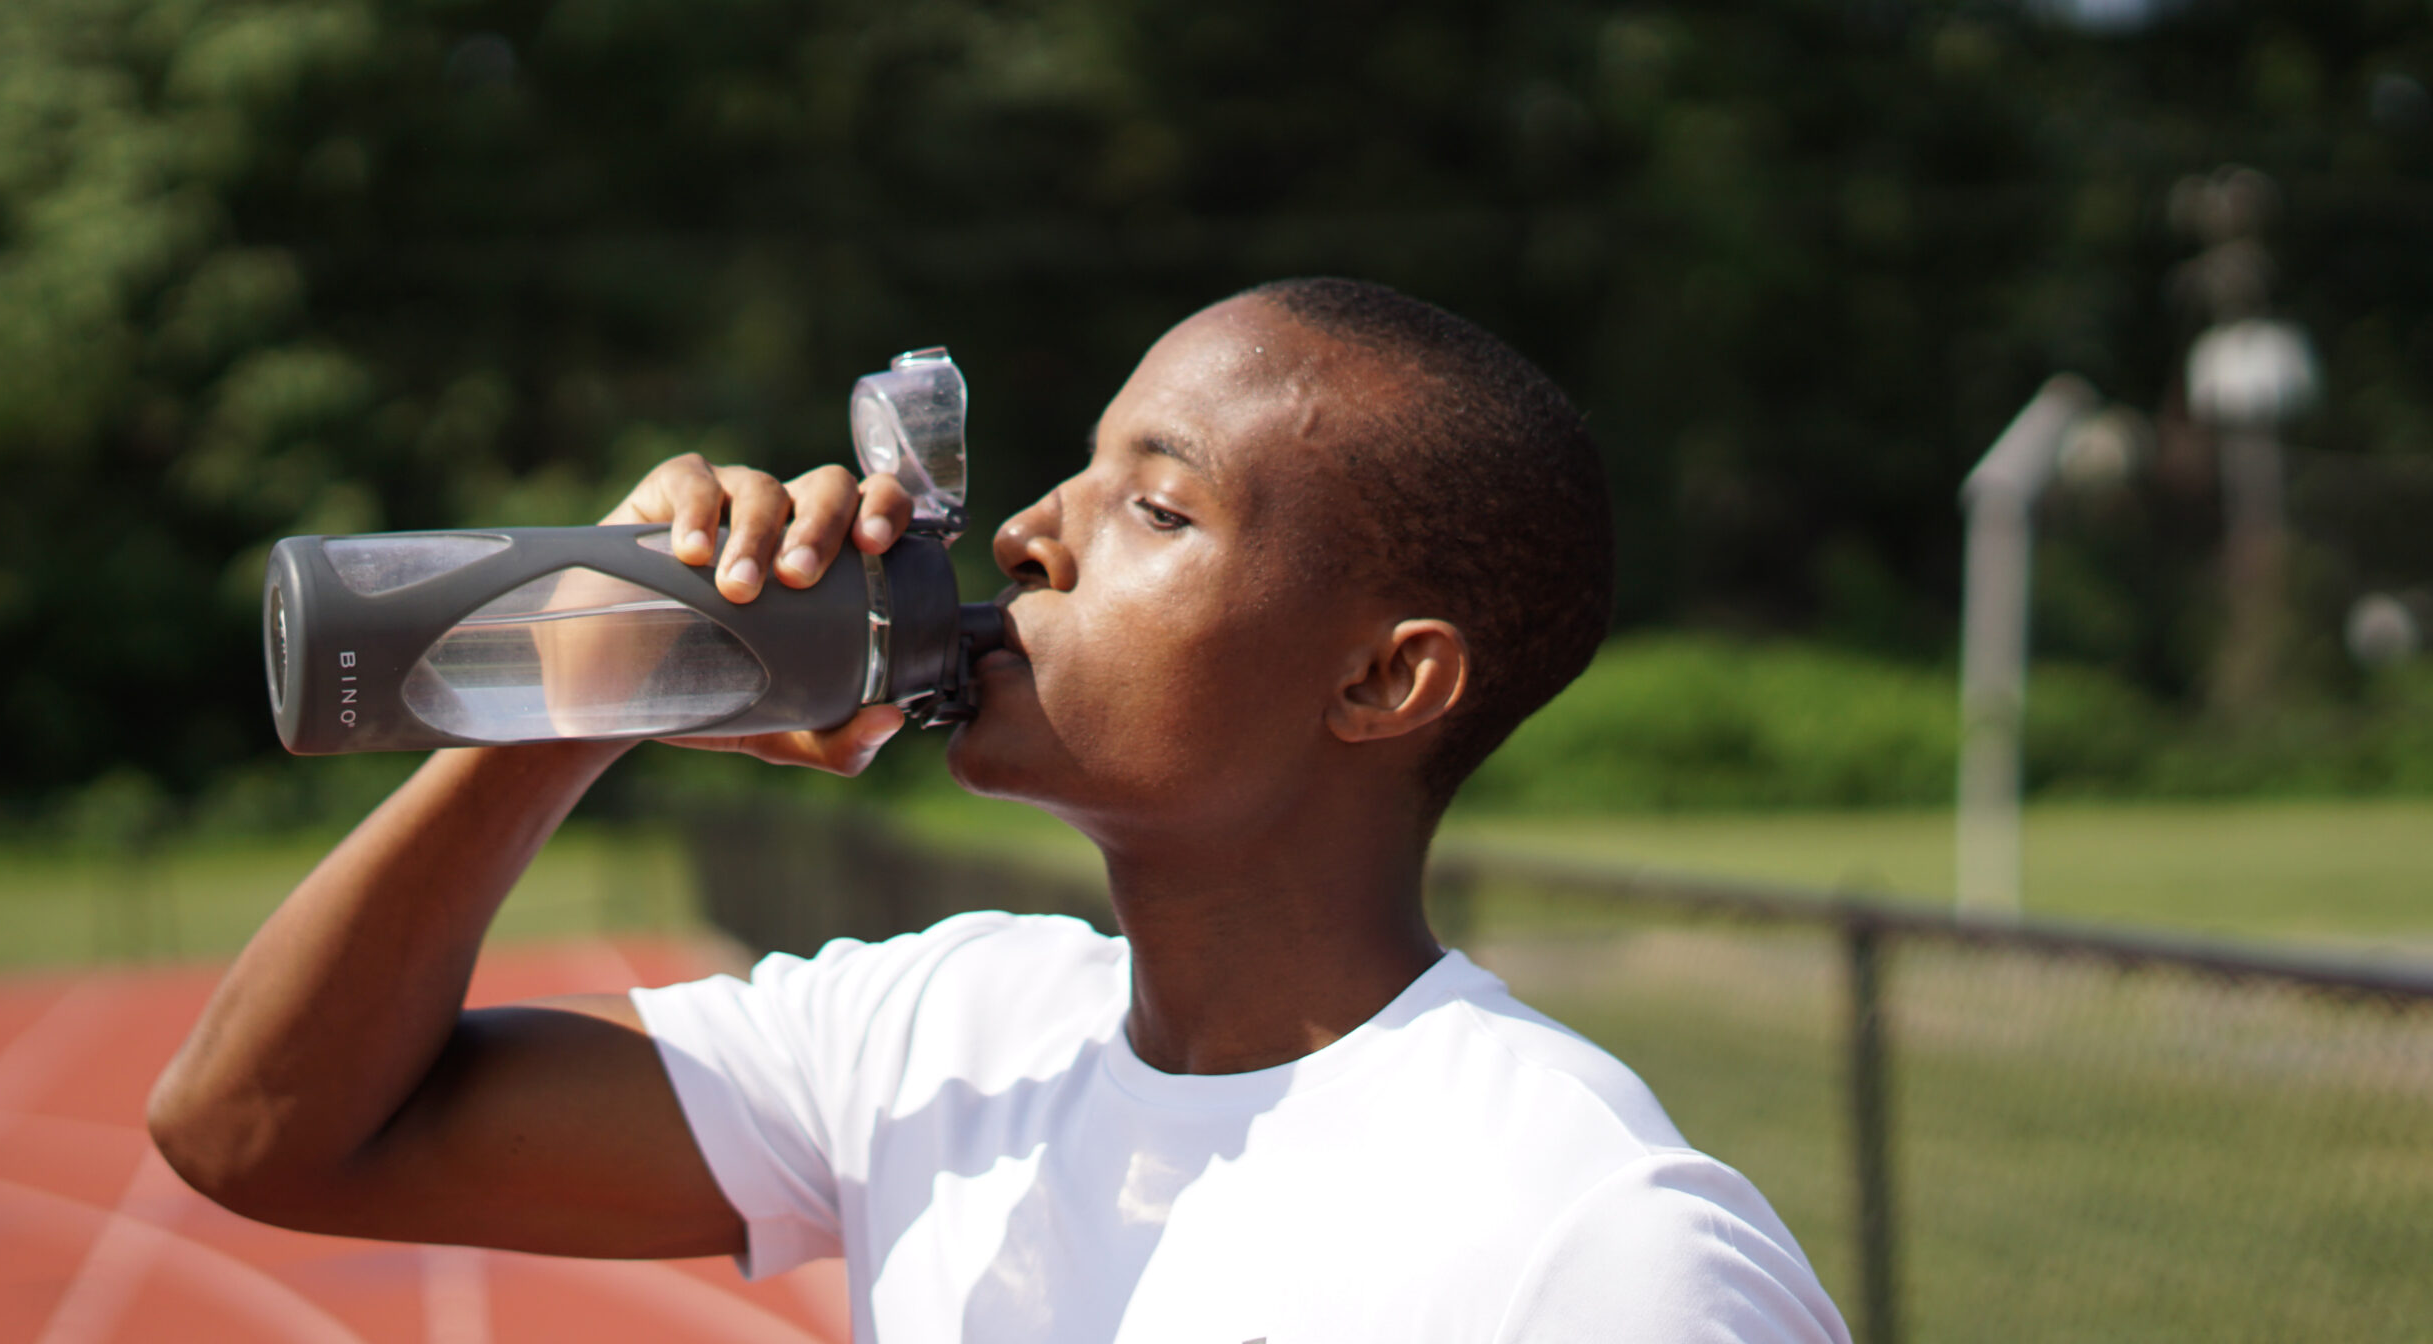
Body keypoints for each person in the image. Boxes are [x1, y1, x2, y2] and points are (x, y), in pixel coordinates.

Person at [150, 278, 1850, 1342]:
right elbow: (261, 1133)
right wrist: (592, 670)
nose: (1032, 532)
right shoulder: (945, 1033)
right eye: (1075, 471)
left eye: (1158, 509)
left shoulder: (1591, 1244)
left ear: (1380, 685)